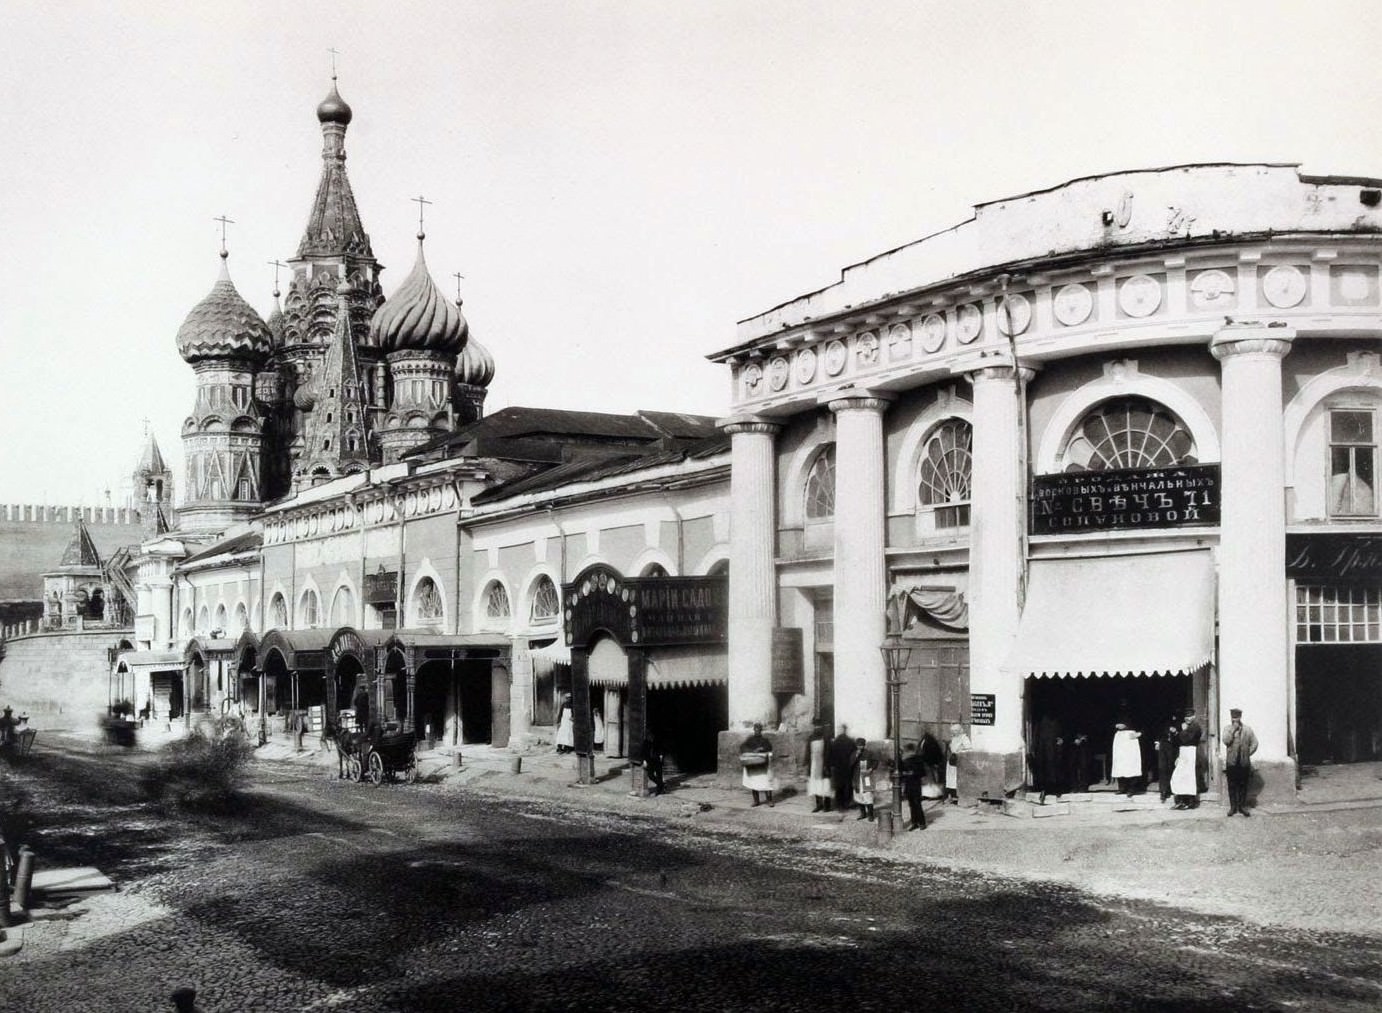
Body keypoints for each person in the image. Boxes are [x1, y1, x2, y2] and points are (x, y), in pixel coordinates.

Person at [1223, 707, 1259, 816]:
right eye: (1233, 717)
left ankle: (1242, 806)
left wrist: (1248, 753)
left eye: (1237, 717)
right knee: (1232, 785)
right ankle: (1233, 807)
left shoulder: (1247, 729)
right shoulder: (1227, 729)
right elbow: (1226, 740)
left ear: (1240, 717)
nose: (1235, 720)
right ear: (1231, 718)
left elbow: (1255, 743)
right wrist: (1233, 729)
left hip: (1244, 762)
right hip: (1232, 762)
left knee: (1243, 784)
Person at [1171, 709, 1204, 809]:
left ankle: (1190, 802)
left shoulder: (1196, 727)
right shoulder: (1184, 726)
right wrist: (1176, 733)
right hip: (1183, 753)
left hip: (1191, 752)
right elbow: (1178, 742)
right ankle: (1181, 801)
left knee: (1189, 777)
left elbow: (1187, 739)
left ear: (1194, 716)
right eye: (1186, 717)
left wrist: (1180, 731)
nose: (1187, 718)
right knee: (1179, 776)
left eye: (1190, 716)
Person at [1032, 712, 1065, 803]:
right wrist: (1033, 748)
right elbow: (1036, 734)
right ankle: (1044, 791)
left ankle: (1057, 790)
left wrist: (1061, 740)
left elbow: (1062, 734)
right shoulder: (1041, 720)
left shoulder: (1058, 721)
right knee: (1044, 770)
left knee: (1055, 769)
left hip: (1054, 749)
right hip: (1043, 749)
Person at [740, 722, 775, 807]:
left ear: (761, 730)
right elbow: (742, 747)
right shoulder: (750, 740)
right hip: (753, 764)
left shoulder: (765, 740)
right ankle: (756, 800)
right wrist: (752, 750)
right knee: (753, 782)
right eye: (756, 729)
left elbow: (770, 748)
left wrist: (761, 749)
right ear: (753, 730)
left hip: (763, 764)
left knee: (767, 782)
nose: (757, 731)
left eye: (759, 730)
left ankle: (769, 800)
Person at [899, 741, 928, 830]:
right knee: (912, 804)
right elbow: (901, 770)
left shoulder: (918, 760)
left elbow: (922, 773)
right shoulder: (905, 760)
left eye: (907, 750)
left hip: (915, 784)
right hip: (909, 784)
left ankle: (922, 823)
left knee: (917, 804)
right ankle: (914, 822)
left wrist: (912, 773)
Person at [829, 724, 856, 816]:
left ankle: (840, 805)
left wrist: (832, 765)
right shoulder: (850, 741)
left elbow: (831, 754)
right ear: (846, 730)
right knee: (847, 785)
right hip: (848, 767)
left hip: (838, 767)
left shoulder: (836, 741)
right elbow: (854, 754)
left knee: (839, 786)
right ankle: (846, 803)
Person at [1111, 719, 1143, 797]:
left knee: (1131, 762)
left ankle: (1132, 788)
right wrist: (1115, 725)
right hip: (1119, 737)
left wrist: (1140, 733)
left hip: (1130, 736)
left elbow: (1144, 723)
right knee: (1120, 762)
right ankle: (1122, 788)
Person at [805, 724, 832, 812]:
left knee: (825, 785)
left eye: (819, 727)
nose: (817, 729)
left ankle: (827, 805)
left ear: (821, 728)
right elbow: (808, 751)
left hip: (824, 766)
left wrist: (826, 765)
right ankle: (819, 804)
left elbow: (828, 752)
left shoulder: (826, 738)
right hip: (814, 765)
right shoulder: (810, 738)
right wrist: (807, 762)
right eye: (816, 727)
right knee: (816, 785)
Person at [850, 737, 878, 821]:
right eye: (858, 746)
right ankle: (863, 813)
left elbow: (875, 762)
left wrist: (871, 769)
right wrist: (856, 756)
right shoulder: (853, 754)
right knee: (859, 796)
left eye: (861, 745)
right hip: (857, 777)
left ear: (864, 745)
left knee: (868, 795)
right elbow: (850, 764)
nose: (860, 747)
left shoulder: (869, 753)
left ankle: (870, 815)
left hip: (866, 777)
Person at [1154, 715, 1179, 803]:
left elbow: (1182, 736)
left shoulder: (1180, 722)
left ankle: (1171, 789)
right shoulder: (1163, 720)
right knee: (1162, 768)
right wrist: (1157, 742)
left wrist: (1176, 732)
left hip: (1174, 747)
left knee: (1171, 768)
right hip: (1163, 746)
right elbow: (1157, 730)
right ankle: (1163, 791)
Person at [945, 723, 971, 804]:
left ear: (960, 730)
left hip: (960, 761)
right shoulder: (953, 738)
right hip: (952, 761)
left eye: (956, 730)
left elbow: (969, 749)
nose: (954, 732)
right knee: (950, 779)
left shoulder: (964, 738)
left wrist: (960, 752)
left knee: (958, 779)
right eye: (953, 731)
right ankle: (951, 795)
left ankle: (959, 796)